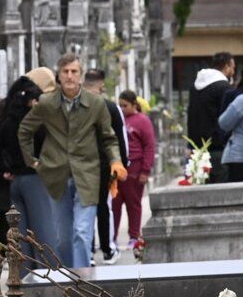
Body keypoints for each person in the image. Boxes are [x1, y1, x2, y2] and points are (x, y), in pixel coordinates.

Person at [17, 53, 126, 269]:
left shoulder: (95, 104)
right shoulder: (47, 103)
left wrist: (116, 161)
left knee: (82, 233)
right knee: (64, 238)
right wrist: (32, 161)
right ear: (58, 75)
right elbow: (25, 130)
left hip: (87, 175)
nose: (69, 76)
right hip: (56, 176)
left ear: (81, 75)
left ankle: (81, 282)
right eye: (65, 71)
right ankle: (69, 278)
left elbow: (109, 138)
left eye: (74, 71)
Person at [0, 73, 44, 240]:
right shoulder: (14, 120)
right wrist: (7, 169)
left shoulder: (6, 117)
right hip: (7, 187)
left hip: (5, 186)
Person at [85, 69, 128, 261]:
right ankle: (108, 250)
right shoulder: (111, 107)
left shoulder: (77, 106)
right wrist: (123, 163)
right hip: (105, 164)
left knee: (85, 208)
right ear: (101, 85)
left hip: (82, 164)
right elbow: (120, 137)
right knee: (104, 206)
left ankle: (88, 252)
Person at [114, 90, 157, 249]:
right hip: (118, 168)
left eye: (125, 105)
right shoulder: (117, 119)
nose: (122, 109)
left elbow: (149, 146)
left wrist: (145, 170)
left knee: (133, 204)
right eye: (120, 105)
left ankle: (133, 236)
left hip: (135, 168)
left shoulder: (142, 121)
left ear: (134, 105)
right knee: (115, 204)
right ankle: (112, 237)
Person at [185, 52, 237, 182]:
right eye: (233, 67)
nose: (233, 71)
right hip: (218, 148)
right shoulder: (224, 88)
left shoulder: (195, 87)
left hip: (197, 149)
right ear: (226, 66)